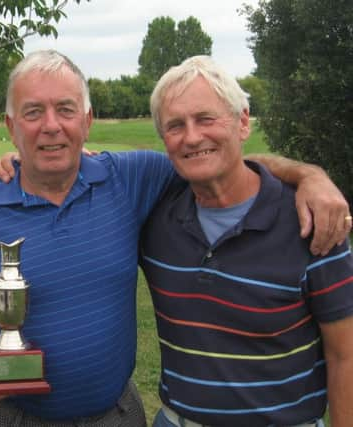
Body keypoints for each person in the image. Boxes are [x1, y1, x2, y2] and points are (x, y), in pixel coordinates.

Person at [0, 50, 350, 426]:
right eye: (33, 112)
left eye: (65, 109)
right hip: (14, 417)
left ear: (87, 121)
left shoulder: (133, 179)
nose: (51, 125)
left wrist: (309, 175)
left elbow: (221, 162)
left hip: (117, 414)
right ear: (12, 127)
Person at [140, 55, 353, 427]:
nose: (192, 137)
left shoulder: (313, 222)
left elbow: (344, 355)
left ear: (242, 122)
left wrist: (310, 175)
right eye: (175, 125)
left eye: (206, 119)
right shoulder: (154, 216)